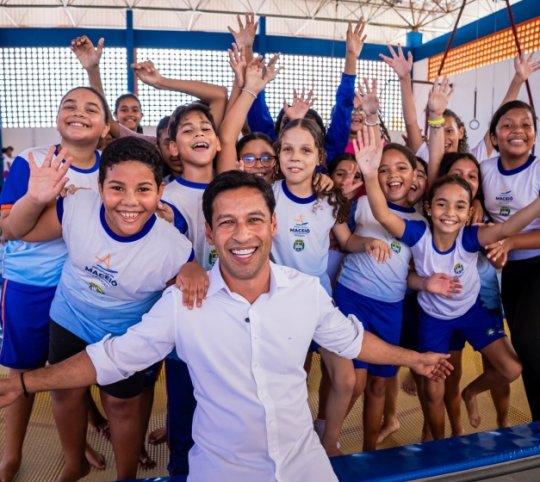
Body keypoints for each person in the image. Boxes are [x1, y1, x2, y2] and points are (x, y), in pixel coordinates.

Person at [0, 170, 452, 482]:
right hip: (222, 470)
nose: (241, 234)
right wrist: (24, 382)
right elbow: (114, 358)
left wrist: (415, 359)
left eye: (254, 220)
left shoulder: (305, 292)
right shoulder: (182, 304)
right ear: (211, 233)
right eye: (227, 223)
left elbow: (352, 341)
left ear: (273, 225)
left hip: (305, 467)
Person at [4, 136, 200, 482]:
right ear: (99, 187)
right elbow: (14, 230)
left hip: (125, 331)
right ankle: (74, 463)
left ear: (160, 191)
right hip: (70, 316)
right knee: (65, 394)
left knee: (121, 404)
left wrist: (192, 267)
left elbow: (182, 313)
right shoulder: (76, 206)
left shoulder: (174, 249)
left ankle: (126, 477)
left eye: (143, 189)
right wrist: (34, 199)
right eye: (117, 188)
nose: (129, 201)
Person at [355, 120, 540, 439]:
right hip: (434, 320)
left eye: (459, 207)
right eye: (442, 204)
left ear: (469, 212)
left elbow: (508, 229)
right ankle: (439, 446)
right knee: (433, 392)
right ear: (428, 207)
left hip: (471, 313)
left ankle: (470, 392)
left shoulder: (470, 237)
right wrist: (371, 175)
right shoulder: (418, 233)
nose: (450, 213)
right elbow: (384, 215)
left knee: (511, 368)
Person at [0, 86, 110, 482]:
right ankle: (11, 453)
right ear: (57, 117)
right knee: (24, 369)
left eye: (91, 108)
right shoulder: (31, 160)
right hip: (29, 285)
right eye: (69, 105)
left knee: (71, 370)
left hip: (82, 287)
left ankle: (75, 443)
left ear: (105, 126)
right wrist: (38, 198)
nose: (79, 113)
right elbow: (6, 228)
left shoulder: (111, 167)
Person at [480, 100, 540, 421]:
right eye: (508, 125)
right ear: (494, 137)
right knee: (525, 345)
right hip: (511, 269)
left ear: (534, 135)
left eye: (526, 124)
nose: (518, 130)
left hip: (536, 263)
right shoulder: (485, 170)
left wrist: (512, 241)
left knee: (530, 340)